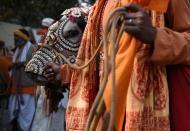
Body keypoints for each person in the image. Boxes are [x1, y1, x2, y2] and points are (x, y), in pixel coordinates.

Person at [46, 0, 190, 130]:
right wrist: (64, 73)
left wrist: (155, 36)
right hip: (103, 112)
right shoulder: (100, 6)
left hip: (142, 112)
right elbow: (97, 58)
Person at [7, 29, 35, 131]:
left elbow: (35, 64)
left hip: (28, 86)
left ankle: (24, 128)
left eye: (18, 37)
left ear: (23, 38)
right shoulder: (17, 50)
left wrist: (22, 64)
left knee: (26, 111)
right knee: (12, 109)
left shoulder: (31, 48)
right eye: (15, 37)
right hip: (15, 86)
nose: (16, 39)